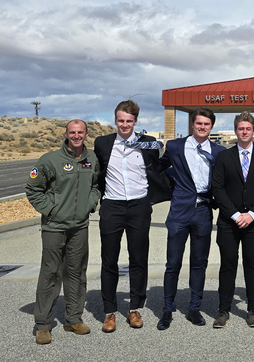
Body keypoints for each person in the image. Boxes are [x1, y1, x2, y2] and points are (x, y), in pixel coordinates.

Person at [94, 100, 171, 333]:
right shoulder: (103, 143)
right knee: (109, 260)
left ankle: (135, 308)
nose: (124, 124)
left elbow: (159, 168)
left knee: (138, 258)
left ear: (136, 122)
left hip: (139, 207)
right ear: (115, 121)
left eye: (129, 121)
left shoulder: (147, 144)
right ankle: (109, 312)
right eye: (120, 120)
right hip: (112, 207)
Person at [25, 120, 100, 345]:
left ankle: (73, 319)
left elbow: (96, 185)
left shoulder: (92, 158)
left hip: (80, 227)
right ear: (66, 134)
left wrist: (91, 203)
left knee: (76, 272)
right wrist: (51, 209)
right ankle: (43, 325)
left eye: (80, 132)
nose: (76, 136)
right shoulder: (50, 160)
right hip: (54, 227)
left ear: (86, 134)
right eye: (72, 132)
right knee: (50, 274)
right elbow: (33, 188)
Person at [156, 107, 225, 330]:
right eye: (198, 123)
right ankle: (167, 309)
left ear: (211, 126)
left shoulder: (219, 151)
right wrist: (172, 190)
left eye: (206, 124)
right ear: (192, 124)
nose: (202, 127)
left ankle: (194, 308)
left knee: (199, 263)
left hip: (203, 211)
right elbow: (159, 168)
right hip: (179, 212)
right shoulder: (176, 146)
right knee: (172, 263)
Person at [211, 111, 254, 328]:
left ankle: (252, 310)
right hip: (229, 222)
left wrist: (252, 215)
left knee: (253, 265)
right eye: (241, 128)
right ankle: (223, 310)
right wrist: (236, 215)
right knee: (227, 265)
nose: (244, 132)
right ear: (236, 130)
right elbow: (218, 189)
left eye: (248, 128)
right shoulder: (224, 157)